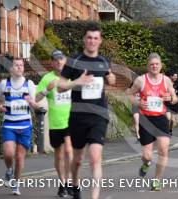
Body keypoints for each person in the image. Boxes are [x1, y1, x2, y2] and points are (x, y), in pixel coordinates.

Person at [57, 24, 116, 199]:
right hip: (77, 117)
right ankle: (75, 186)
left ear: (100, 41)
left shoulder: (104, 61)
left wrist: (111, 78)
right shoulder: (73, 61)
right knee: (77, 160)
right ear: (84, 39)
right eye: (89, 37)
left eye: (96, 38)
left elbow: (110, 78)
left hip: (98, 115)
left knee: (95, 158)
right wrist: (77, 82)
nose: (92, 41)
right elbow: (60, 87)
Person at [126, 53, 177, 191]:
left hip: (160, 118)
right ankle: (146, 164)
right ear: (148, 66)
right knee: (147, 155)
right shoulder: (141, 80)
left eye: (157, 64)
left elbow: (174, 98)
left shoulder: (166, 80)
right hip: (146, 119)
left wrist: (170, 98)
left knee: (163, 150)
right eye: (151, 64)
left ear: (160, 66)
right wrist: (138, 102)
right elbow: (129, 94)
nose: (154, 66)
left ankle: (156, 180)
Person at [0, 57, 38, 195]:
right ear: (11, 68)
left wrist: (31, 102)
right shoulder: (4, 83)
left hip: (25, 125)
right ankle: (9, 171)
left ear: (23, 68)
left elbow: (35, 105)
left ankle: (16, 184)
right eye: (16, 65)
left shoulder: (29, 84)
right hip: (9, 124)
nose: (19, 67)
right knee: (8, 154)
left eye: (21, 65)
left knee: (19, 157)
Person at [35, 50, 73, 197]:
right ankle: (62, 183)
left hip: (71, 122)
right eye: (56, 60)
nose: (58, 62)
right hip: (55, 124)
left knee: (69, 152)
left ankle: (69, 182)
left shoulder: (71, 77)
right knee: (58, 155)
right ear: (52, 62)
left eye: (61, 59)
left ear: (65, 61)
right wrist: (46, 90)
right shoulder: (47, 78)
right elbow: (36, 98)